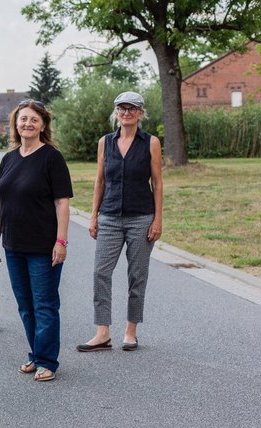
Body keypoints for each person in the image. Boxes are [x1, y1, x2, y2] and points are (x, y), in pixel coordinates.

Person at [0, 100, 72, 382]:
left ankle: (47, 360)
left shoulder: (51, 158)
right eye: (23, 119)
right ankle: (37, 354)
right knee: (25, 305)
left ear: (43, 125)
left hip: (43, 246)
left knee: (45, 304)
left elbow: (62, 203)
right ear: (15, 123)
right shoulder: (9, 159)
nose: (28, 124)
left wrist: (61, 241)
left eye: (34, 120)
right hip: (14, 245)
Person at [76, 91, 163, 353]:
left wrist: (158, 219)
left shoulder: (151, 142)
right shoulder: (106, 142)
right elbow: (100, 180)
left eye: (132, 108)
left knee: (137, 275)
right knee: (100, 272)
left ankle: (130, 331)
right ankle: (102, 332)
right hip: (110, 216)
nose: (126, 112)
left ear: (140, 113)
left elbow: (157, 183)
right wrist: (94, 215)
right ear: (116, 112)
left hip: (141, 217)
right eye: (122, 108)